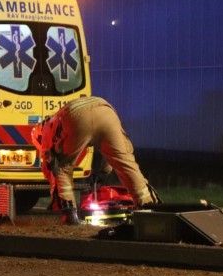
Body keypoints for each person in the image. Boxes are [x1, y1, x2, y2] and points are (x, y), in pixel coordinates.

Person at [33, 95, 157, 224]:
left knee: (63, 169)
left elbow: (51, 164)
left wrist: (54, 173)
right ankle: (148, 209)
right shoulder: (58, 117)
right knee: (125, 162)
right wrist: (103, 172)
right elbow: (115, 152)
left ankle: (69, 215)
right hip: (105, 110)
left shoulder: (46, 127)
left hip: (76, 116)